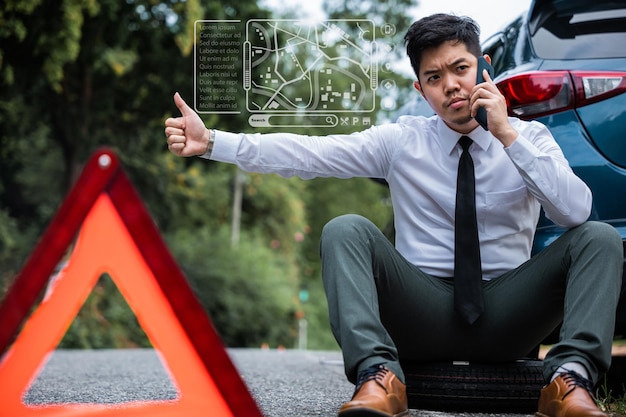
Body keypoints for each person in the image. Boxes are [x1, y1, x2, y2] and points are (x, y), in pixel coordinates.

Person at [165, 13, 622, 417]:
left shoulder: (529, 138)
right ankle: (378, 376)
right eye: (435, 77)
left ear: (484, 69)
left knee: (598, 238)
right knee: (346, 229)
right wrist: (213, 143)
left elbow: (575, 210)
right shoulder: (402, 141)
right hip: (423, 310)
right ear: (423, 90)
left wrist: (506, 135)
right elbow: (310, 153)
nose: (451, 86)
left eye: (460, 69)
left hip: (509, 314)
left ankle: (571, 384)